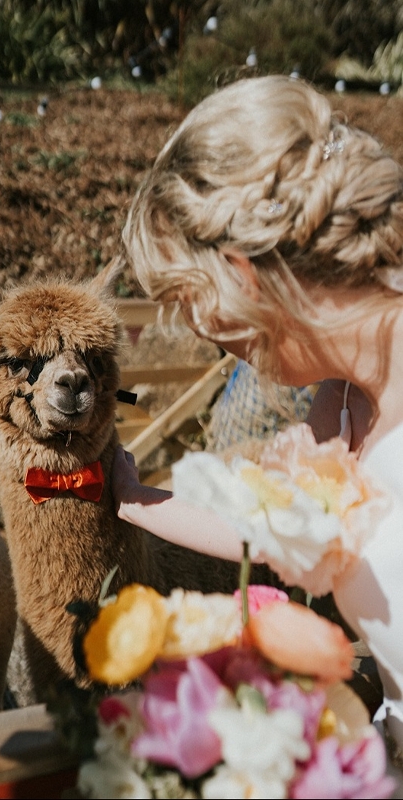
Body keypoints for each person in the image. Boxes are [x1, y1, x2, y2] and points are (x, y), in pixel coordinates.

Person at [111, 74, 403, 766]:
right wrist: (130, 499)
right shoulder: (340, 403)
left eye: (187, 296)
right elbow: (289, 533)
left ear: (241, 272)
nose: (196, 329)